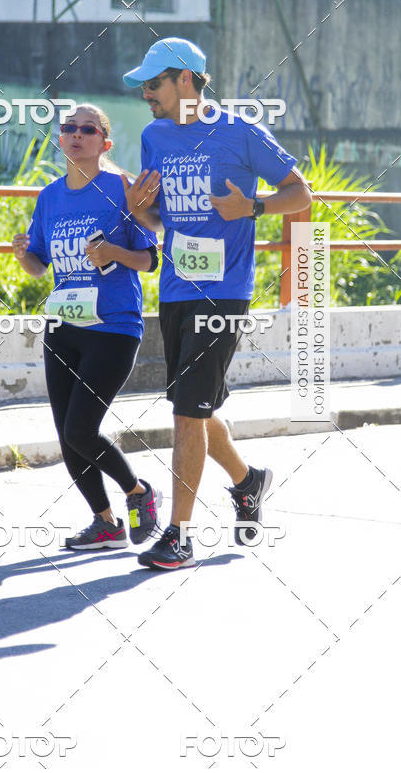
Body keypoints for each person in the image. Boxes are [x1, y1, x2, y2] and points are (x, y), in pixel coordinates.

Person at [122, 38, 312, 570]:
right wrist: (142, 213)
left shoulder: (240, 132)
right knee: (196, 409)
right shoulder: (154, 135)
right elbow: (161, 221)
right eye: (143, 87)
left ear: (186, 79)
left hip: (223, 293)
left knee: (186, 413)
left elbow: (301, 193)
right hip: (177, 290)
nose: (146, 95)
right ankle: (249, 481)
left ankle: (178, 536)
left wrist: (252, 206)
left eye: (154, 84)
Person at [12, 103, 162, 551]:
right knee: (67, 436)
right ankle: (107, 524)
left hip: (113, 325)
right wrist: (25, 257)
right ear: (61, 138)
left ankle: (139, 493)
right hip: (63, 324)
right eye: (69, 128)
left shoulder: (122, 189)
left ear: (105, 142)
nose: (76, 135)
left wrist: (114, 253)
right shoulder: (49, 197)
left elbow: (151, 258)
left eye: (88, 129)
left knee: (81, 428)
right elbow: (40, 266)